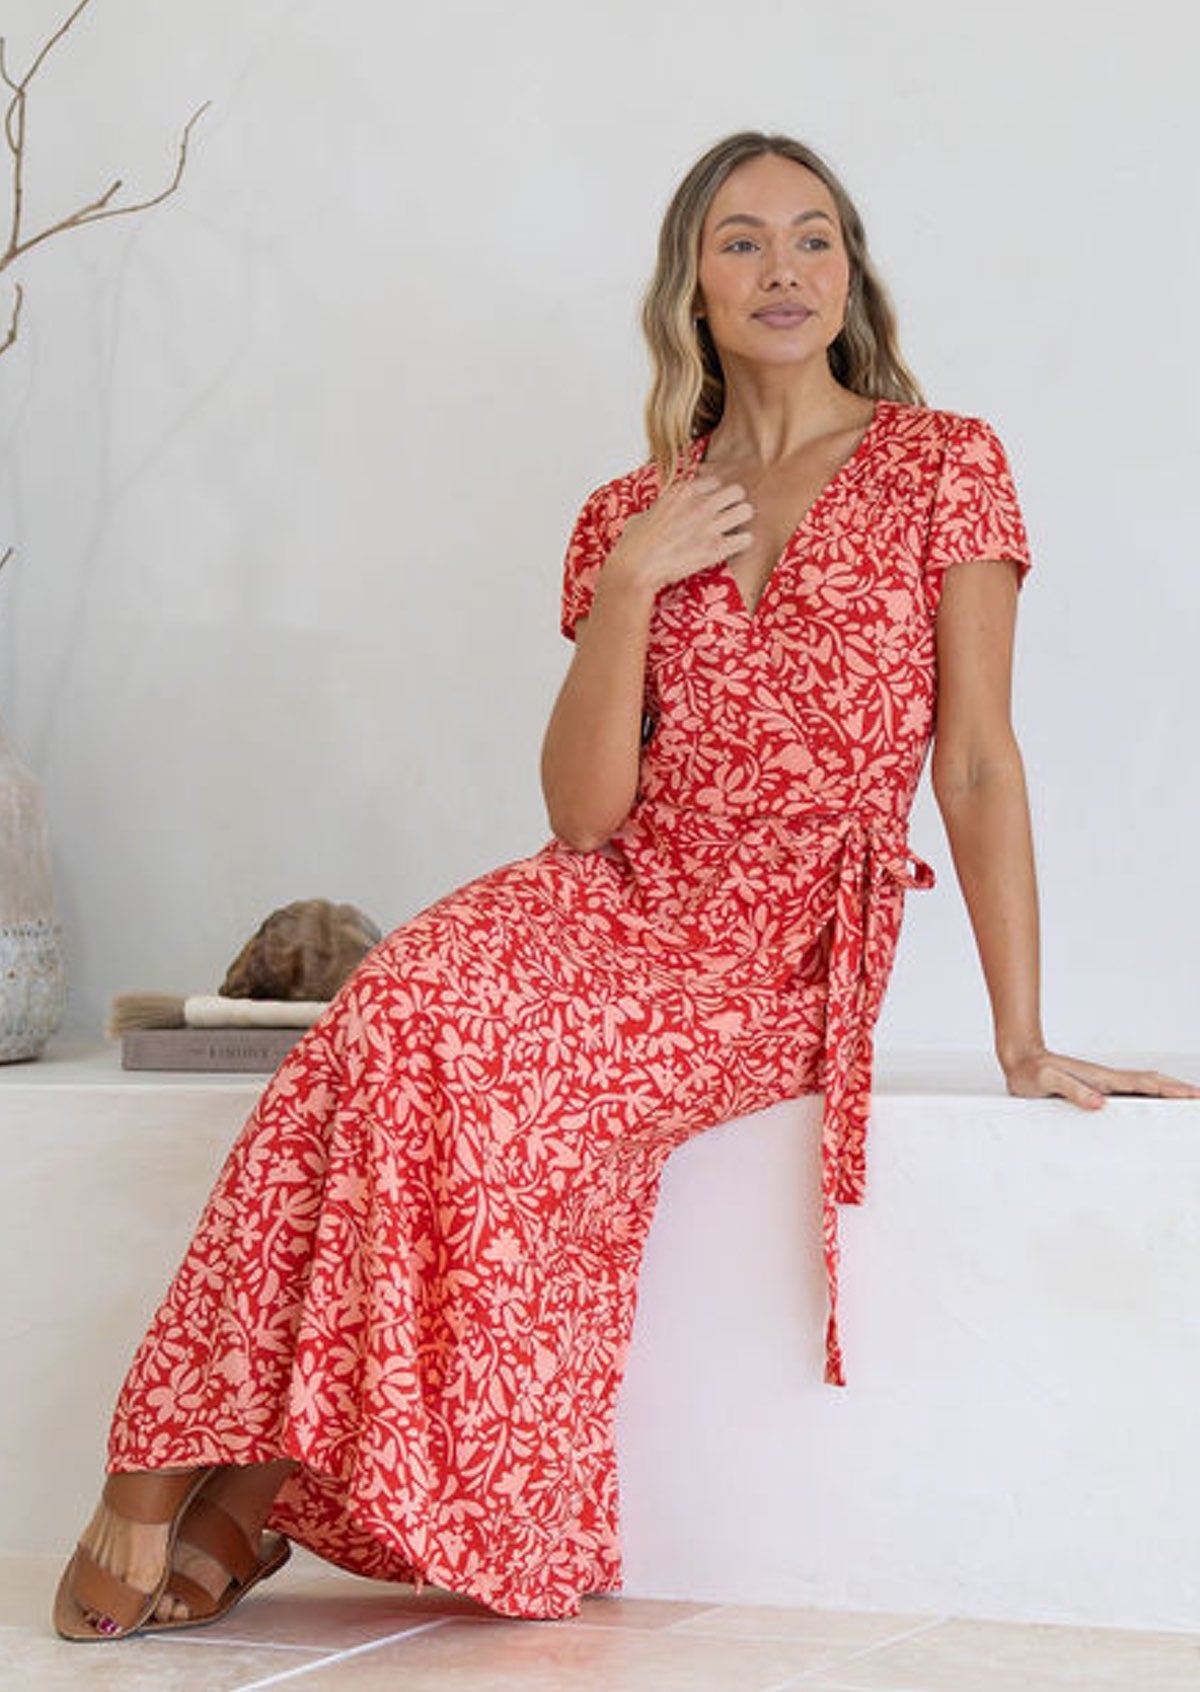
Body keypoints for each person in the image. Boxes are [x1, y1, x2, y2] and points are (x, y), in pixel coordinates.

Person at [54, 129, 1199, 1642]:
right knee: (397, 1015)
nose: (780, 270)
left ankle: (245, 1483)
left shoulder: (944, 466)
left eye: (811, 238)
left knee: (485, 1077)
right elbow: (582, 813)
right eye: (739, 242)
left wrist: (1022, 1032)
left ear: (851, 272)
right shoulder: (631, 509)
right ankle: (175, 1463)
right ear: (692, 289)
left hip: (777, 947)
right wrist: (629, 586)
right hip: (612, 897)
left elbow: (977, 762)